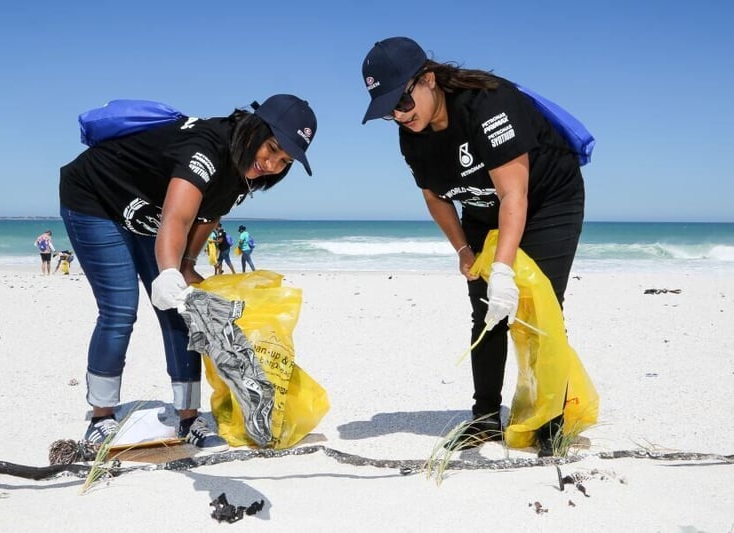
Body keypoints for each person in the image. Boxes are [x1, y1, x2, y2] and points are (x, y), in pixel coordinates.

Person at [361, 37, 585, 456]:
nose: (398, 115)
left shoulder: (488, 104)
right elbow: (435, 196)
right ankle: (485, 421)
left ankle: (551, 423)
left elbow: (514, 196)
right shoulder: (412, 136)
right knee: (486, 311)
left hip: (546, 200)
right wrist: (465, 251)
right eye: (388, 109)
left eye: (403, 102)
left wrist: (503, 269)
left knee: (540, 309)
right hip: (483, 209)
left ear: (427, 80)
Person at [59, 94, 316, 452]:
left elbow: (207, 216)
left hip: (144, 211)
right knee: (120, 309)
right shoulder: (207, 148)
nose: (272, 163)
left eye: (284, 160)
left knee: (182, 311)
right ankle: (101, 418)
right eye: (271, 148)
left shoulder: (241, 172)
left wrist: (186, 267)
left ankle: (188, 417)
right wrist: (167, 271)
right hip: (94, 198)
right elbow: (176, 218)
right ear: (255, 129)